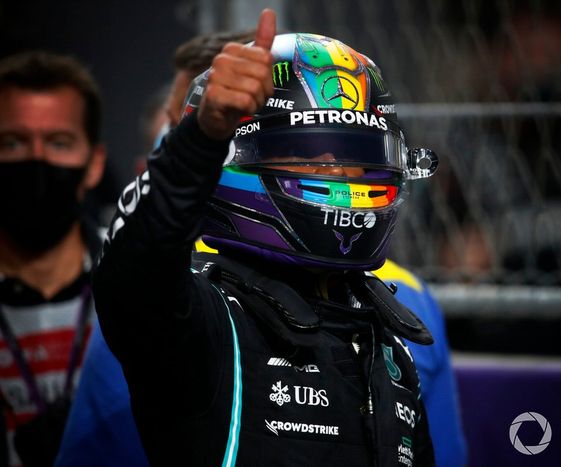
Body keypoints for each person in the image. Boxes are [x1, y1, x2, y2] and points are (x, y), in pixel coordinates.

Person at [57, 22, 467, 466]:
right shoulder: (203, 322)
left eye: (354, 155)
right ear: (237, 157)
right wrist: (200, 139)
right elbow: (133, 268)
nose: (338, 172)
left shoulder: (390, 341)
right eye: (308, 154)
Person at [0, 51, 106, 466]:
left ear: (94, 165)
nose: (37, 159)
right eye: (13, 142)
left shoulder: (139, 286)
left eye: (59, 143)